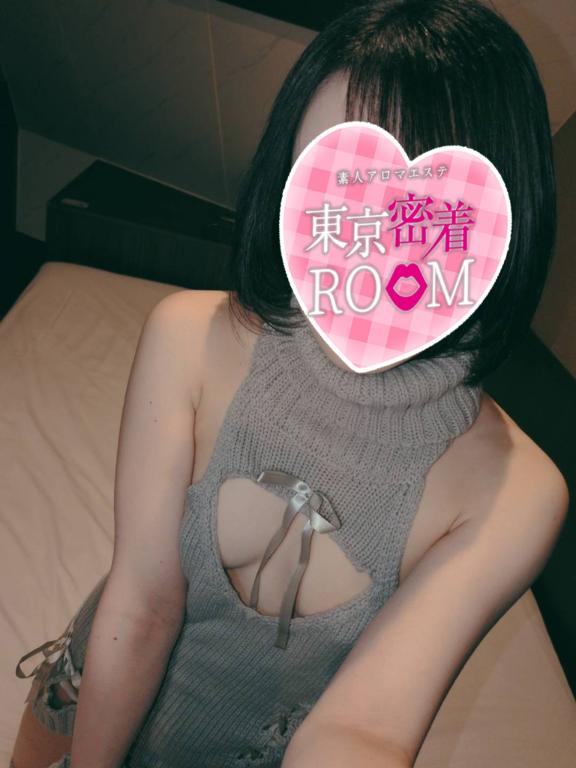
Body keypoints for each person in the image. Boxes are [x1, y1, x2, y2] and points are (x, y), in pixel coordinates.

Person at [11, 1, 568, 767]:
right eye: (334, 187)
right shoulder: (186, 337)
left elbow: (364, 731)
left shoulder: (516, 496)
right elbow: (139, 605)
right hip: (88, 692)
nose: (369, 240)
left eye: (418, 213)